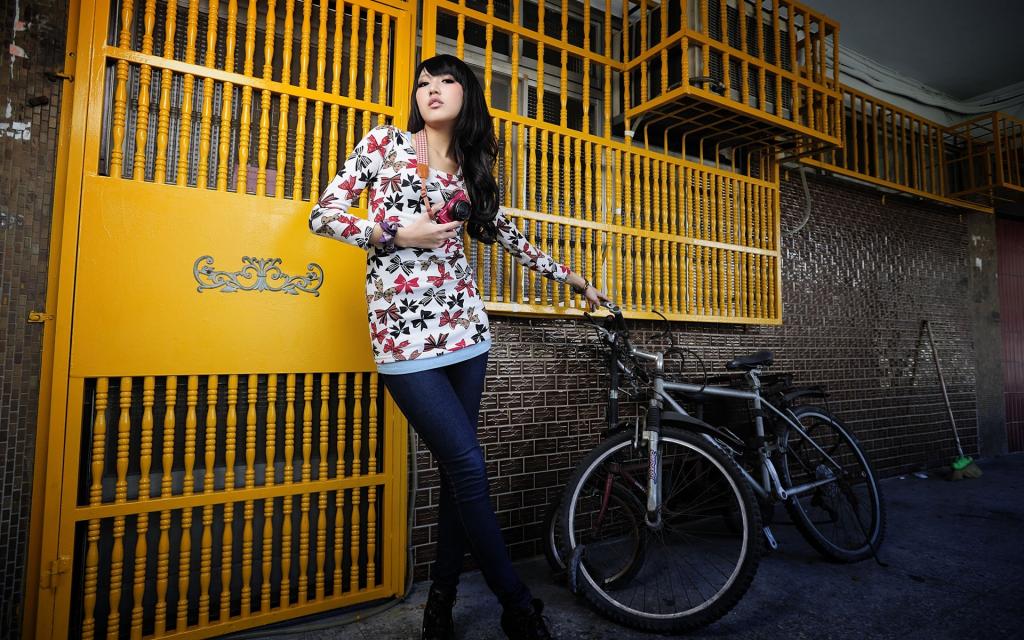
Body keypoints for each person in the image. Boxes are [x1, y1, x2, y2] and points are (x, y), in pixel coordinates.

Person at [309, 53, 610, 640]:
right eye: (424, 82)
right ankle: (517, 605)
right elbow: (323, 215)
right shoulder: (385, 144)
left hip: (466, 335)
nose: (432, 89)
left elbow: (509, 236)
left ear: (467, 95)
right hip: (403, 338)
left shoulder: (472, 169)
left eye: (447, 80)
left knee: (456, 472)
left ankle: (440, 604)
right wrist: (396, 231)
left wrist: (574, 279)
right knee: (469, 464)